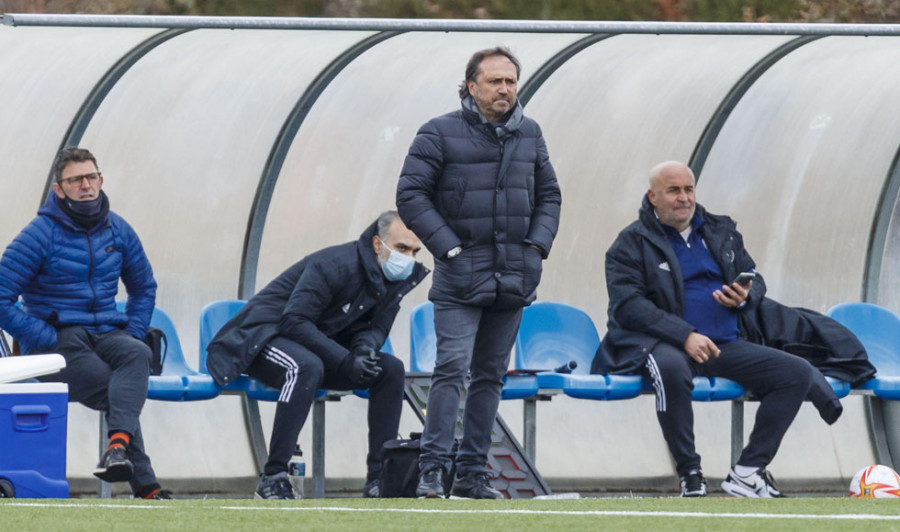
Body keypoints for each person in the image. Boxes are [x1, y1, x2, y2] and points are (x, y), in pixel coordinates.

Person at [593, 160, 839, 498]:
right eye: (673, 190)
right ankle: (690, 472)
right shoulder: (630, 244)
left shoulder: (720, 231)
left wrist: (744, 296)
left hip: (725, 343)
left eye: (689, 189)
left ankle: (748, 471)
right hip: (664, 344)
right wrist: (685, 335)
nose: (684, 198)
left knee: (795, 372)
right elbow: (629, 306)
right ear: (652, 196)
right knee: (669, 369)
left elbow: (754, 277)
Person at [396, 46, 561, 499]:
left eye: (510, 81)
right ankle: (432, 470)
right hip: (459, 275)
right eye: (495, 81)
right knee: (451, 368)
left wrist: (536, 248)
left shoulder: (530, 133)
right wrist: (447, 247)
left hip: (514, 275)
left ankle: (471, 475)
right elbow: (410, 196)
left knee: (491, 375)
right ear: (472, 86)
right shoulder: (438, 132)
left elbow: (550, 196)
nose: (505, 89)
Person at [206, 211, 427, 499]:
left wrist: (362, 351)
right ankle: (273, 476)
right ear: (377, 244)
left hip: (313, 347)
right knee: (306, 367)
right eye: (401, 248)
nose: (408, 257)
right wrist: (345, 359)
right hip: (260, 338)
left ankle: (380, 479)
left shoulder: (395, 279)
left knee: (390, 369)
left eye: (414, 251)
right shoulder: (334, 265)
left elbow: (376, 328)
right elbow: (294, 320)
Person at [0, 147, 169, 499]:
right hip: (57, 341)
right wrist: (42, 336)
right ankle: (147, 486)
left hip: (106, 331)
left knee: (137, 353)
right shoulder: (39, 234)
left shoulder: (119, 229)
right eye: (75, 180)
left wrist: (133, 332)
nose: (86, 186)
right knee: (114, 388)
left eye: (92, 177)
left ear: (101, 180)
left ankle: (119, 451)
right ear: (59, 189)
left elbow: (144, 288)